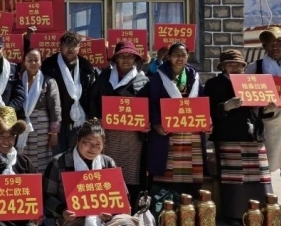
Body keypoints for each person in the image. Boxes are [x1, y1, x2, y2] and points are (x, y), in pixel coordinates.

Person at [43, 119, 144, 226]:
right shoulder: (59, 162)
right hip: (71, 218)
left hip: (104, 215)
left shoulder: (107, 162)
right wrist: (62, 210)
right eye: (87, 143)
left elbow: (122, 194)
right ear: (78, 141)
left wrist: (111, 212)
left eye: (98, 145)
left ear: (103, 146)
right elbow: (47, 196)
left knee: (125, 224)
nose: (92, 148)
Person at [206, 50, 276, 225]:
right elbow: (206, 111)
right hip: (229, 136)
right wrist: (225, 107)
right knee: (234, 178)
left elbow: (259, 111)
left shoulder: (254, 82)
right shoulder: (214, 84)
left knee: (260, 177)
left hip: (254, 136)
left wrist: (268, 110)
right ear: (223, 67)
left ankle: (261, 213)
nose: (235, 68)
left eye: (238, 65)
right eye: (230, 64)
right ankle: (234, 214)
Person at [88, 41, 149, 209]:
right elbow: (92, 100)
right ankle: (107, 207)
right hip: (108, 134)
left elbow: (149, 105)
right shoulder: (104, 78)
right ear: (116, 59)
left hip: (132, 138)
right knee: (107, 170)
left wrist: (147, 123)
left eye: (130, 56)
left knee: (131, 173)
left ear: (135, 59)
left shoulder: (143, 80)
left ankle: (128, 208)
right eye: (122, 56)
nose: (126, 60)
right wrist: (97, 120)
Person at [146, 42, 209, 198]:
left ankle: (189, 203)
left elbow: (202, 102)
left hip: (191, 132)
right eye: (175, 55)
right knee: (168, 170)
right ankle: (167, 203)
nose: (179, 59)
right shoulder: (158, 77)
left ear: (188, 57)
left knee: (191, 170)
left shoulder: (194, 77)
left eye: (183, 55)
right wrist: (156, 123)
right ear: (168, 57)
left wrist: (207, 121)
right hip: (168, 131)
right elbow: (152, 102)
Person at [251, 27, 281, 192]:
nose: (275, 47)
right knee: (263, 165)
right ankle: (264, 200)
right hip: (267, 124)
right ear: (264, 47)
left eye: (279, 43)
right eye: (270, 44)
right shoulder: (254, 67)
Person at [40, 31, 97, 154]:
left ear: (79, 47)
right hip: (56, 122)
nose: (70, 49)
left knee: (77, 157)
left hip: (80, 123)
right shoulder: (48, 65)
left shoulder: (86, 67)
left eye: (74, 45)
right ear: (60, 46)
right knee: (57, 158)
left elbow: (92, 96)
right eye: (67, 45)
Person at [17, 49, 61, 175]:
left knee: (41, 157)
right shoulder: (18, 79)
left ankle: (41, 182)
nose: (33, 63)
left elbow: (55, 107)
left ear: (41, 62)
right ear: (24, 62)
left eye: (36, 60)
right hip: (21, 123)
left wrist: (54, 132)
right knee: (22, 154)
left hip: (42, 126)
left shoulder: (48, 81)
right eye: (29, 60)